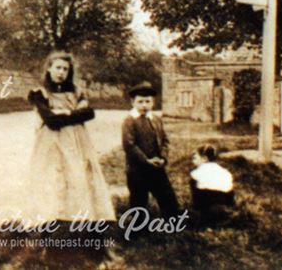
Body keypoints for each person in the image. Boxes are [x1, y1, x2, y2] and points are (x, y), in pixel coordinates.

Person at [27, 51, 116, 223]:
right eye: (58, 68)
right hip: (51, 143)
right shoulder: (39, 93)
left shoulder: (76, 92)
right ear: (49, 68)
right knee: (53, 180)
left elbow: (89, 113)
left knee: (79, 178)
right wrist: (74, 114)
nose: (61, 72)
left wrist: (64, 114)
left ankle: (85, 228)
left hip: (77, 143)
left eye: (65, 69)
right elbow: (50, 120)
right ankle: (49, 232)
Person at [121, 81, 179, 216]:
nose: (144, 105)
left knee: (168, 198)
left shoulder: (156, 119)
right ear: (132, 102)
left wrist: (163, 158)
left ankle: (173, 224)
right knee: (138, 200)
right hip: (137, 169)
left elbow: (164, 140)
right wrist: (146, 160)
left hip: (157, 167)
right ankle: (137, 230)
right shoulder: (130, 121)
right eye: (140, 102)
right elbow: (129, 145)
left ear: (153, 102)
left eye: (147, 101)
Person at [189, 144, 235, 226]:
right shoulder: (225, 172)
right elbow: (230, 194)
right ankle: (224, 215)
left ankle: (205, 216)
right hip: (225, 206)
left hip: (208, 207)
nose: (192, 161)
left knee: (194, 184)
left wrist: (196, 208)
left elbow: (196, 197)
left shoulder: (196, 173)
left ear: (205, 159)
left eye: (195, 158)